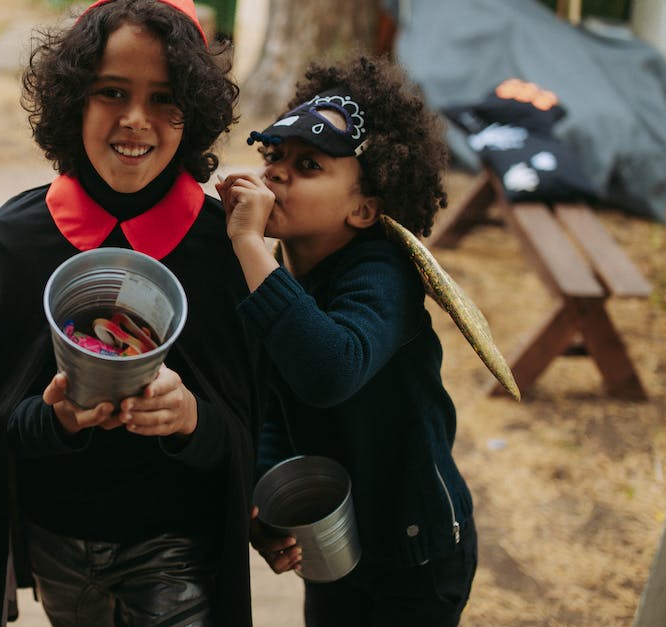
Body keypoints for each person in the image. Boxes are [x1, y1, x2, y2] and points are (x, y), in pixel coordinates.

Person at [0, 0, 263, 625]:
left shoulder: (223, 247)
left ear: (195, 110)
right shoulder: (14, 243)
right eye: (111, 92)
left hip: (178, 548)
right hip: (57, 547)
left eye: (163, 97)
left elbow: (244, 434)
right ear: (73, 99)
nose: (135, 120)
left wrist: (189, 418)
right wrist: (60, 418)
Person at [216, 55, 478, 626]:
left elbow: (330, 369)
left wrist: (250, 248)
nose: (276, 174)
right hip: (335, 544)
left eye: (308, 164)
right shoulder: (273, 276)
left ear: (364, 209)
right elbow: (268, 403)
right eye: (273, 157)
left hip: (418, 554)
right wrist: (270, 503)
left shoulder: (383, 274)